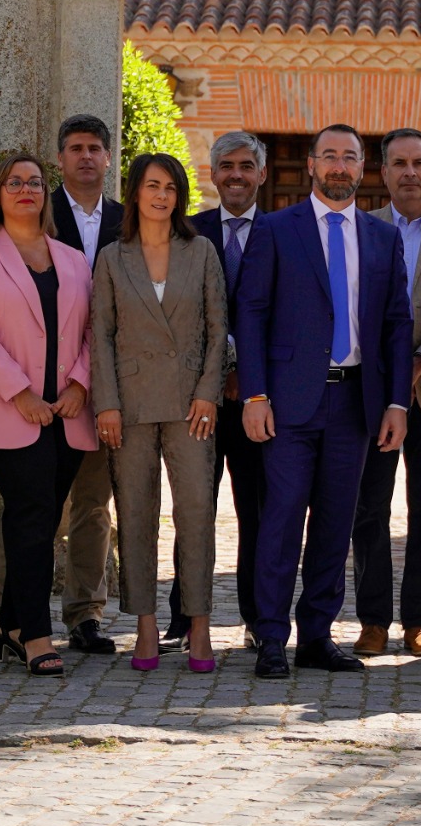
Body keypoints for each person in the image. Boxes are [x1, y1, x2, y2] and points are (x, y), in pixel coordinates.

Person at [235, 123, 414, 680]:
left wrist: (396, 404)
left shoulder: (381, 238)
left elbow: (397, 325)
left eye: (350, 157)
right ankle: (269, 637)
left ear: (364, 169)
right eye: (329, 155)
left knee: (337, 524)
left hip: (355, 403)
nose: (340, 165)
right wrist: (255, 394)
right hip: (288, 403)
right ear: (310, 165)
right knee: (281, 520)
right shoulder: (276, 228)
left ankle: (317, 635)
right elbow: (252, 313)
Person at [0, 151, 98, 675]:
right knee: (34, 509)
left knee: (37, 517)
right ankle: (36, 634)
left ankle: (9, 623)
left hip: (67, 410)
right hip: (6, 410)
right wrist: (21, 394)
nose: (25, 190)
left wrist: (81, 382)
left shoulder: (74, 259)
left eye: (34, 182)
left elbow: (91, 330)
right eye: (14, 182)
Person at [90, 152, 225, 671]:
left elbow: (219, 329)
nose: (161, 195)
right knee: (137, 514)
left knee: (196, 515)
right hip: (131, 404)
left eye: (171, 186)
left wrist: (208, 392)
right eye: (152, 185)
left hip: (193, 405)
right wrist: (106, 403)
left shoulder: (202, 251)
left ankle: (199, 627)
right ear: (135, 192)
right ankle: (144, 625)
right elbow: (99, 334)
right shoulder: (112, 257)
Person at [352, 128, 421, 658]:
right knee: (368, 509)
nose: (409, 172)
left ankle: (420, 619)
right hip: (372, 393)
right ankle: (373, 620)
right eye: (398, 163)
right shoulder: (361, 232)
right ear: (384, 173)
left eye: (419, 163)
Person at [170, 130, 270, 639]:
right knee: (193, 508)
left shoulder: (282, 233)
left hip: (257, 402)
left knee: (257, 514)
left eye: (246, 166)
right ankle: (184, 617)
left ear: (261, 174)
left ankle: (258, 618)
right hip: (197, 400)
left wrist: (246, 376)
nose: (236, 174)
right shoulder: (188, 232)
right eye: (227, 165)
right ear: (213, 174)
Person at [48, 112, 125, 658]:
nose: (85, 157)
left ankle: (85, 615)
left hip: (106, 386)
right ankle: (14, 611)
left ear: (107, 156)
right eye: (75, 148)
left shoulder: (130, 218)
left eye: (95, 147)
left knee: (94, 505)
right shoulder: (36, 209)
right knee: (32, 506)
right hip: (41, 386)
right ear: (60, 159)